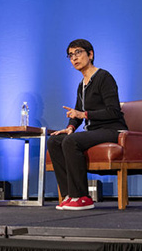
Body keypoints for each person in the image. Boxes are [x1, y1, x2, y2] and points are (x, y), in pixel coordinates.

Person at [47, 39, 127, 211]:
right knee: (55, 141)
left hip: (113, 129)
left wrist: (83, 114)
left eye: (78, 53)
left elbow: (113, 111)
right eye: (70, 55)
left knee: (72, 141)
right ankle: (69, 194)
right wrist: (70, 128)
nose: (74, 58)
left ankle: (82, 197)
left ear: (90, 55)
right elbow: (77, 112)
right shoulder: (81, 85)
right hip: (95, 131)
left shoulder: (104, 77)